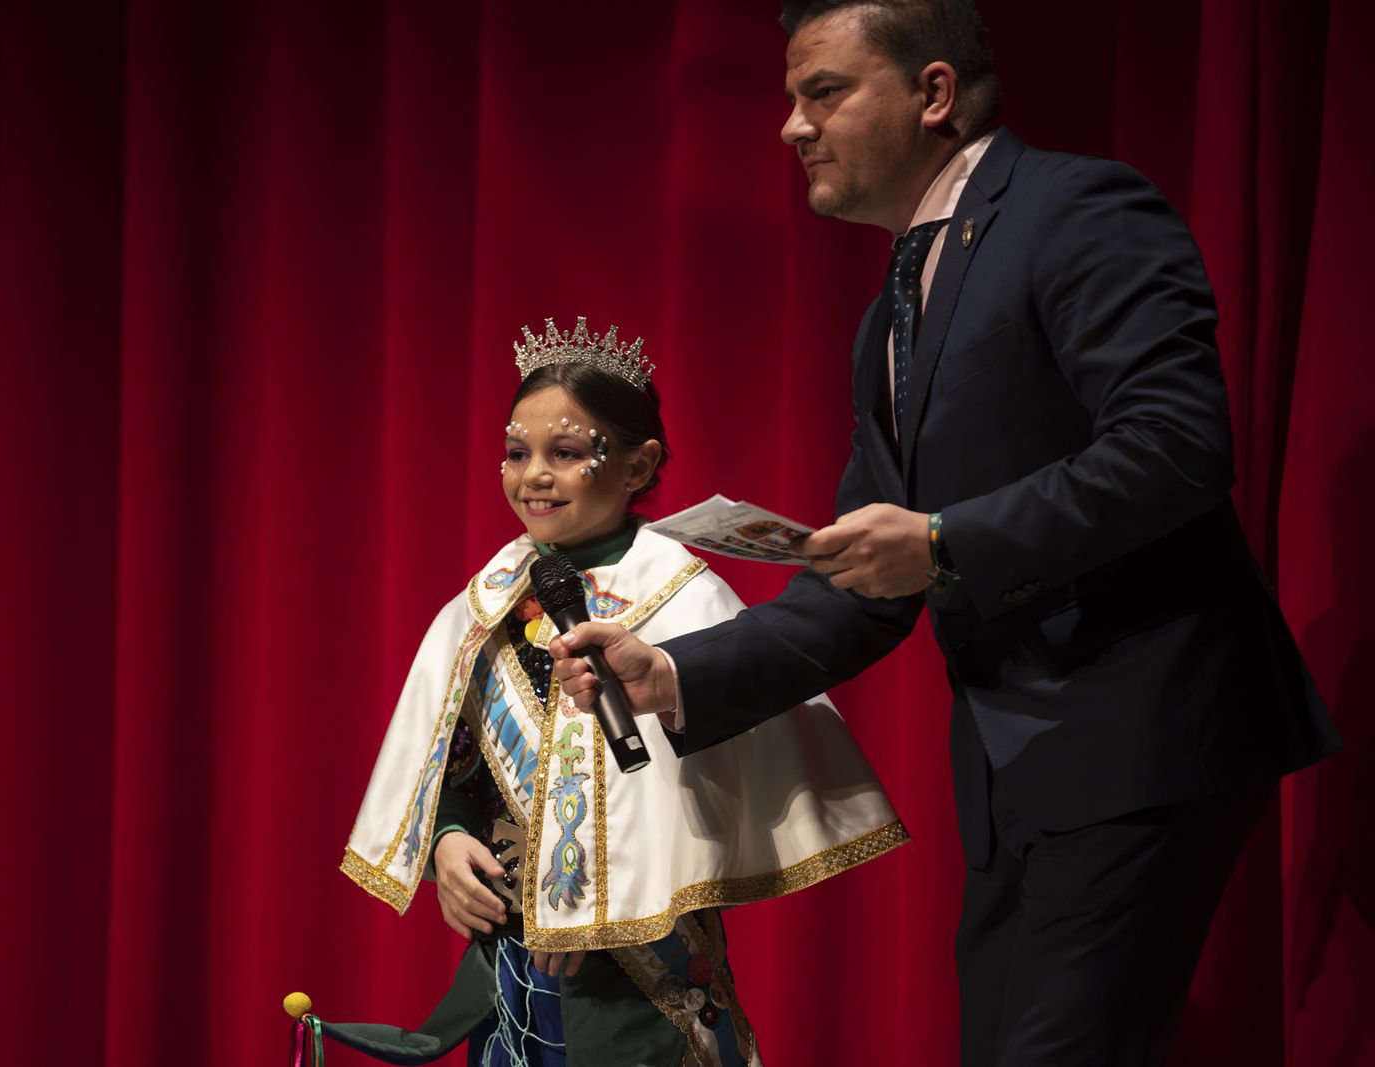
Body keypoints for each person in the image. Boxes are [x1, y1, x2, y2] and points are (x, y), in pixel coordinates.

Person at [549, 3, 1343, 1064]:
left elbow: (1174, 446)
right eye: (792, 98)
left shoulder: (1077, 208)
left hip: (1140, 732)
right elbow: (858, 585)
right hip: (1021, 773)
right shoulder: (889, 316)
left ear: (931, 93)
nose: (791, 126)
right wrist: (674, 670)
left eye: (822, 92)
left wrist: (943, 538)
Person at [333, 317, 906, 1067]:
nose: (534, 475)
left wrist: (606, 901)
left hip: (650, 969)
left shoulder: (689, 605)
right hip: (512, 963)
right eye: (517, 453)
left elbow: (731, 782)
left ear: (638, 466)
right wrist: (446, 842)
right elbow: (454, 769)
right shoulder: (480, 610)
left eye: (567, 453)